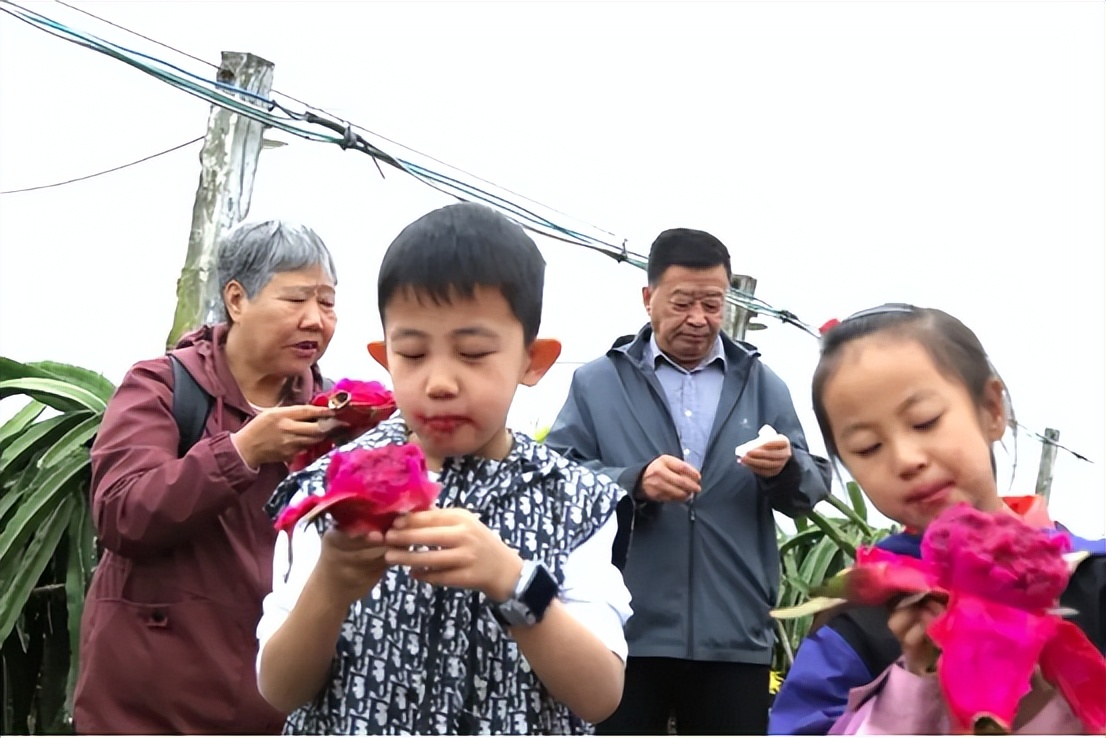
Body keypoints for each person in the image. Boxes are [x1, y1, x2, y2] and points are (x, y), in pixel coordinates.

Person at [255, 202, 632, 734]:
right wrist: (330, 587)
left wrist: (513, 580)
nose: (439, 382)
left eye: (473, 353)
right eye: (412, 354)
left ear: (533, 361)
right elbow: (278, 688)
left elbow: (600, 695)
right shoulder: (329, 492)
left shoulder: (573, 501)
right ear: (385, 357)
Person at [768, 303, 1106, 735]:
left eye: (925, 422)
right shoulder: (858, 623)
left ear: (991, 410)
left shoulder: (1093, 580)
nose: (907, 460)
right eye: (869, 448)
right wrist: (914, 684)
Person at [544, 228, 832, 735]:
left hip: (734, 633)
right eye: (681, 303)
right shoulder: (597, 383)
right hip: (625, 631)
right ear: (648, 298)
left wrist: (786, 468)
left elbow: (812, 487)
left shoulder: (762, 384)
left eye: (713, 304)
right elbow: (556, 479)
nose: (698, 319)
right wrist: (635, 482)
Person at [74, 220, 341, 734]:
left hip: (273, 707)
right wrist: (241, 452)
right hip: (148, 711)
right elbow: (121, 512)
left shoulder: (334, 412)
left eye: (327, 303)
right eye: (296, 300)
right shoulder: (163, 386)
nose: (316, 320)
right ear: (237, 300)